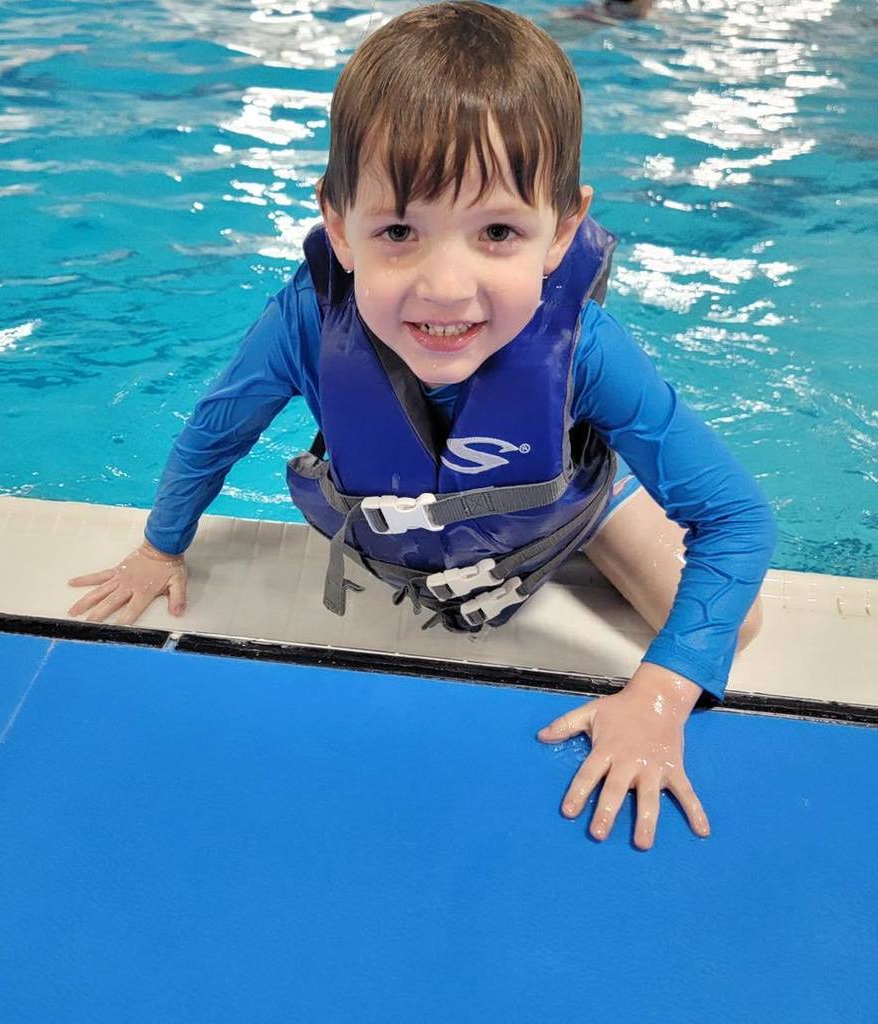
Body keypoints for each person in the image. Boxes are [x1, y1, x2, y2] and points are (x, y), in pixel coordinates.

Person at [67, 1, 776, 850]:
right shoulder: (302, 326)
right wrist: (160, 546)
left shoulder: (588, 352)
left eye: (499, 232)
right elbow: (213, 434)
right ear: (339, 224)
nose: (446, 288)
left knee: (739, 622)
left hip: (562, 511)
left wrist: (659, 696)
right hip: (392, 523)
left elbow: (736, 518)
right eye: (399, 229)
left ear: (564, 232)